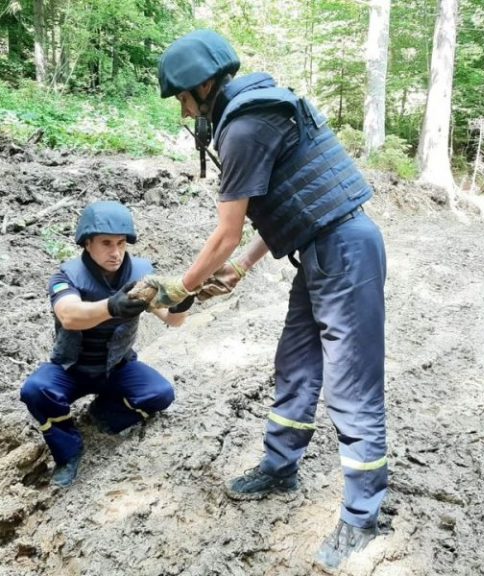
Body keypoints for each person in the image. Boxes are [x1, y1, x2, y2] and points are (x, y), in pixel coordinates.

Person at [147, 29, 388, 571]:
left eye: (183, 99)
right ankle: (281, 467)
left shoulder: (243, 127)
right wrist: (240, 268)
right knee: (297, 365)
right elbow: (290, 205)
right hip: (322, 248)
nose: (184, 112)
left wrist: (180, 291)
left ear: (203, 86)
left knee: (352, 388)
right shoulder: (259, 109)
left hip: (343, 253)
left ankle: (362, 517)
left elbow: (224, 233)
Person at [20, 201, 188, 487]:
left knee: (160, 395)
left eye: (121, 243)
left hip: (117, 367)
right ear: (87, 243)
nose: (116, 252)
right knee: (35, 391)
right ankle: (68, 450)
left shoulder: (143, 274)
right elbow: (70, 316)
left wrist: (184, 299)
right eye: (106, 243)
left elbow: (173, 320)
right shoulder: (67, 276)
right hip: (71, 368)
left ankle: (101, 416)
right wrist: (112, 306)